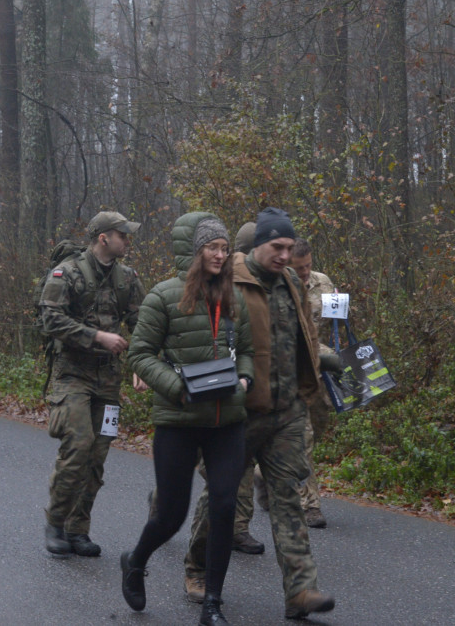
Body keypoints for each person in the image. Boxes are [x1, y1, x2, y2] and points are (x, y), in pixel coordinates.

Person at [185, 208, 336, 620]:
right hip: (238, 413)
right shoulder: (226, 281)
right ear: (258, 246)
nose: (286, 255)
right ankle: (197, 568)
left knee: (287, 494)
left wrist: (318, 374)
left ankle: (301, 591)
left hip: (287, 411)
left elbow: (304, 334)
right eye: (278, 247)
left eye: (290, 247)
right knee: (221, 496)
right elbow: (195, 334)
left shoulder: (290, 282)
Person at [120, 213, 254, 626]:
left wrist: (246, 377)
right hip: (178, 420)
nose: (221, 254)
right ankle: (136, 559)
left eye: (224, 247)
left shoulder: (236, 298)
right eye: (213, 247)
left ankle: (212, 603)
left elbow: (247, 348)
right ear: (195, 252)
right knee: (171, 515)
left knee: (224, 506)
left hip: (227, 421)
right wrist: (177, 387)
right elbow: (140, 354)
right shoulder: (163, 297)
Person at [38, 210, 145, 557]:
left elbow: (141, 322)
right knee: (79, 445)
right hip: (72, 375)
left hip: (108, 381)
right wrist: (96, 336)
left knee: (97, 457)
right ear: (104, 238)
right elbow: (50, 319)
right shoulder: (66, 273)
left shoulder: (127, 278)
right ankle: (55, 523)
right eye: (123, 235)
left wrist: (141, 362)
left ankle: (78, 528)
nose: (128, 241)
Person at [286, 238, 335, 528]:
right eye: (299, 268)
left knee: (318, 429)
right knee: (304, 439)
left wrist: (343, 308)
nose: (305, 273)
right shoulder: (283, 288)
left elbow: (334, 324)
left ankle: (262, 476)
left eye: (308, 267)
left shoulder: (323, 283)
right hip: (293, 373)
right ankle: (310, 505)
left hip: (318, 372)